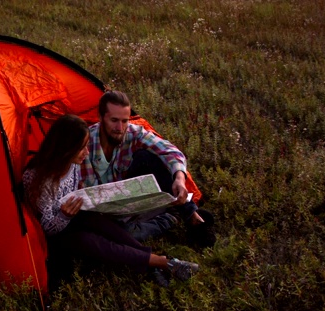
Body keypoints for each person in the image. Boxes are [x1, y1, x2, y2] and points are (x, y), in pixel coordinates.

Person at [22, 114, 199, 292]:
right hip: (57, 233)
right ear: (66, 148)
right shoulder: (38, 179)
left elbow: (75, 191)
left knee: (110, 229)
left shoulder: (72, 164)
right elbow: (45, 229)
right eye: (82, 148)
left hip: (76, 215)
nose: (87, 153)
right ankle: (162, 262)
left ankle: (153, 263)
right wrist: (63, 215)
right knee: (93, 242)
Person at [81, 90, 215, 247]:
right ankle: (172, 217)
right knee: (122, 235)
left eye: (124, 121)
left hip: (128, 194)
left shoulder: (132, 132)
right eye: (114, 120)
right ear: (101, 117)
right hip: (105, 207)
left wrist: (179, 178)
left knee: (147, 157)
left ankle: (190, 213)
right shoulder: (85, 144)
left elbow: (169, 151)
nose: (120, 127)